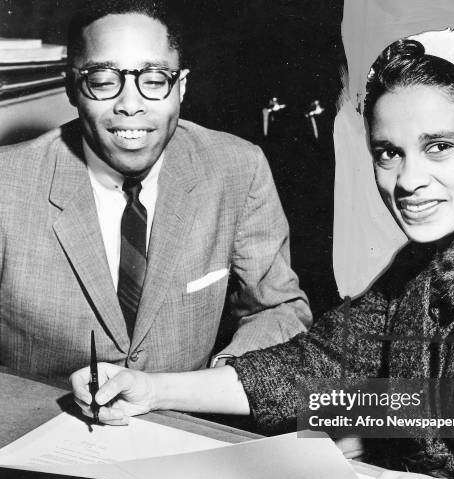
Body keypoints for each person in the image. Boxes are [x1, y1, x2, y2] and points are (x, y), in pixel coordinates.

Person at [72, 28, 454, 479]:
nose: (408, 180)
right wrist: (152, 389)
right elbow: (315, 366)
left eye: (439, 146)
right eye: (389, 152)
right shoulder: (427, 261)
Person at [0, 0, 311, 380]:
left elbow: (278, 309)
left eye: (153, 80)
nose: (130, 105)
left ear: (180, 87)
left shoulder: (238, 168)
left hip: (185, 423)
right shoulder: (7, 183)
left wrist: (220, 380)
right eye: (101, 81)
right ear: (72, 88)